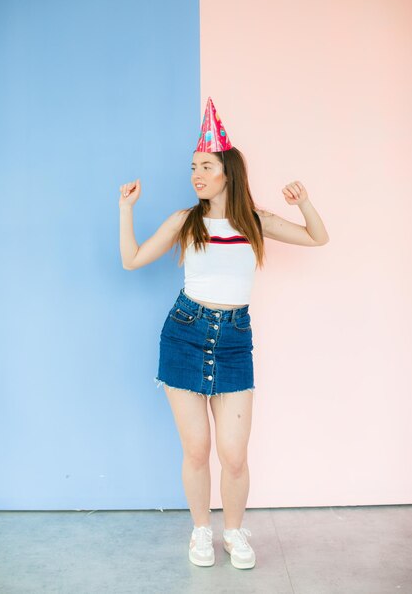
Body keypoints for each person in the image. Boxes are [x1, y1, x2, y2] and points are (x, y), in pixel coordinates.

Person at [119, 97, 329, 570]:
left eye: (206, 166)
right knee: (197, 449)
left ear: (228, 172)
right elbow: (132, 260)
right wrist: (125, 209)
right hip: (185, 332)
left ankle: (233, 532)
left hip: (234, 337)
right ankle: (200, 532)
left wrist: (305, 202)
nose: (197, 174)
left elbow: (317, 237)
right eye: (194, 166)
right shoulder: (184, 220)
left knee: (234, 455)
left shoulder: (253, 220)